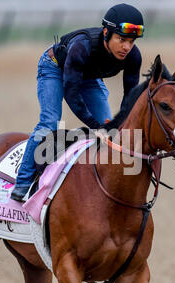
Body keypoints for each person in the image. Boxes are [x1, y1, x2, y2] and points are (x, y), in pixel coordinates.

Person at [11, 3, 145, 201]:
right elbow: (72, 94)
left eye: (131, 42)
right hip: (54, 69)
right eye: (122, 39)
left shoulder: (133, 56)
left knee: (111, 131)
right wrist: (94, 126)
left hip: (88, 77)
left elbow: (129, 98)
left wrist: (113, 124)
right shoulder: (81, 46)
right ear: (106, 33)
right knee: (49, 122)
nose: (127, 47)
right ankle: (22, 183)